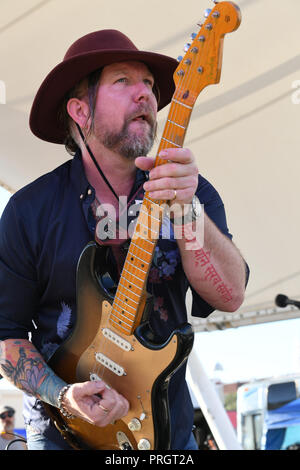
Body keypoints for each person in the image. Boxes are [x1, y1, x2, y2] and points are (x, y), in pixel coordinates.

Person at [0, 29, 249, 451]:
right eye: (123, 81)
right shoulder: (30, 211)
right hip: (61, 433)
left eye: (150, 85)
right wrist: (62, 394)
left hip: (165, 435)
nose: (146, 95)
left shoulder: (192, 192)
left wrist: (188, 211)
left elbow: (229, 297)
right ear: (80, 111)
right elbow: (6, 336)